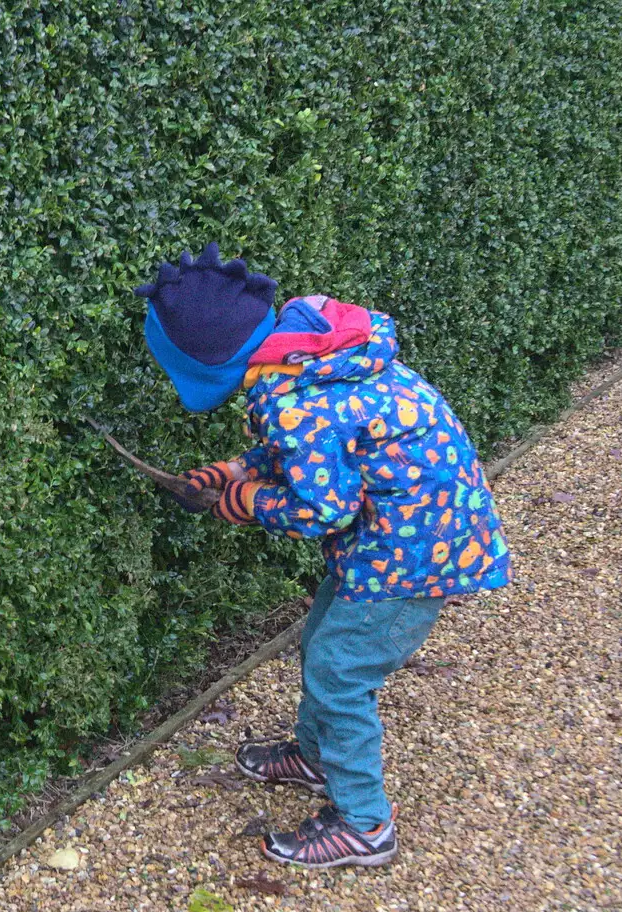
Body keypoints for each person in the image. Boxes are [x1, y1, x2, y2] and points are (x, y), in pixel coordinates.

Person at [134, 244, 511, 868]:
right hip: (407, 536)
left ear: (203, 363)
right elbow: (321, 445)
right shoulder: (313, 359)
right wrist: (233, 469)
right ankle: (314, 757)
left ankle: (364, 822)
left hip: (408, 555)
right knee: (323, 643)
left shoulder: (293, 401)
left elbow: (324, 508)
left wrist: (247, 500)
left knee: (339, 672)